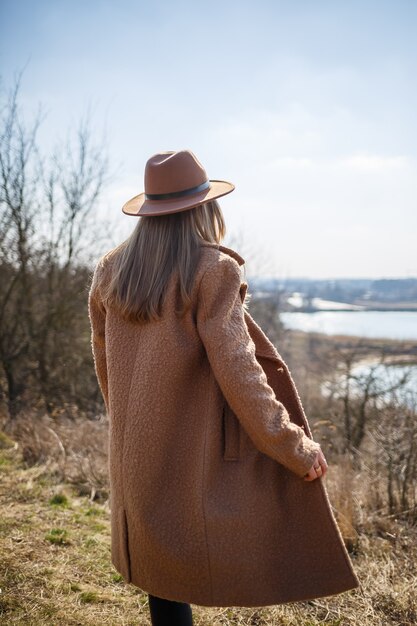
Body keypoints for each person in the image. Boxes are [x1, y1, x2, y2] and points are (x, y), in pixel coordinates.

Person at [88, 150, 359, 626]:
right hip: (190, 449)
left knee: (158, 565)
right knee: (172, 558)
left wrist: (127, 425)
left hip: (135, 447)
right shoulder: (214, 270)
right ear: (204, 208)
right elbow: (242, 373)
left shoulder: (111, 269)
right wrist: (293, 445)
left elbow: (105, 361)